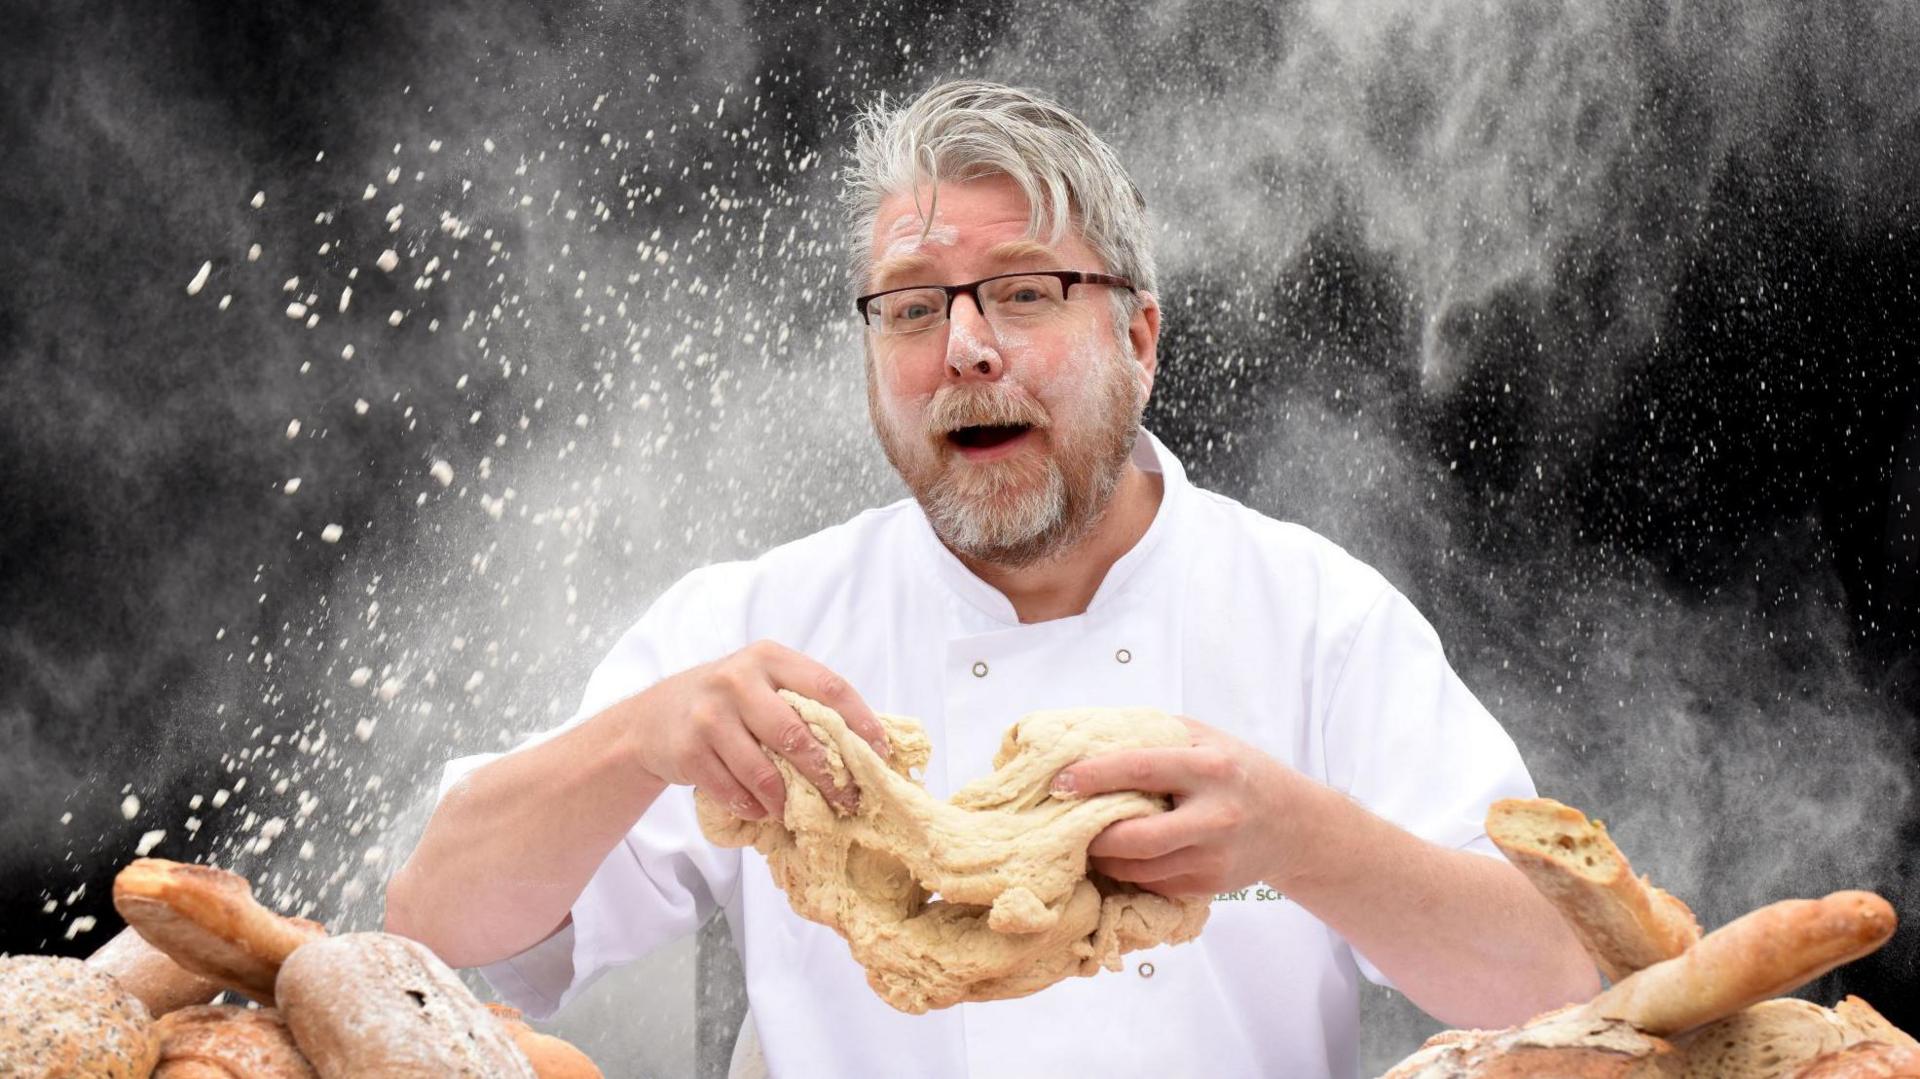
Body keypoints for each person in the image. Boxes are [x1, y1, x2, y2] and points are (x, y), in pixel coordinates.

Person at [385, 80, 1601, 1077]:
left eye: (1026, 291)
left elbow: (1557, 973)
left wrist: (1298, 835)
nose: (965, 344)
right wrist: (636, 740)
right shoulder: (757, 628)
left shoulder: (1313, 618)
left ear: (1138, 337)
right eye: (913, 308)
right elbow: (431, 927)